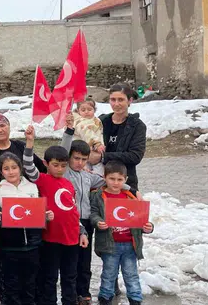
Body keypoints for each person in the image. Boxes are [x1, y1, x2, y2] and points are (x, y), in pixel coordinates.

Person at [60, 118, 139, 305]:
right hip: (69, 220)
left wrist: (132, 190)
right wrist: (69, 131)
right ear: (69, 158)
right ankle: (70, 294)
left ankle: (84, 292)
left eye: (84, 159)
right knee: (70, 260)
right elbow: (63, 149)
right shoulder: (65, 173)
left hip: (86, 221)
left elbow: (110, 182)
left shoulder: (88, 176)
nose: (80, 163)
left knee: (84, 260)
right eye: (76, 158)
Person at [21, 132, 89, 305]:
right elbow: (28, 165)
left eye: (63, 166)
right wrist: (30, 142)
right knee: (50, 277)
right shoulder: (42, 180)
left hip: (72, 239)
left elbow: (73, 211)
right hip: (51, 239)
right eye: (55, 165)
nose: (59, 169)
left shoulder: (68, 184)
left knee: (70, 276)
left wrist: (82, 232)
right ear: (46, 164)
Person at [90, 161, 154, 305]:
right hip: (109, 244)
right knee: (108, 274)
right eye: (112, 178)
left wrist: (148, 227)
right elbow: (93, 213)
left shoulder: (131, 197)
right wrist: (98, 222)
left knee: (131, 274)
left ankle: (135, 299)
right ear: (105, 178)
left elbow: (141, 219)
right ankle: (105, 297)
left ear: (125, 180)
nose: (115, 182)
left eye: (119, 179)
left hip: (130, 245)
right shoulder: (98, 196)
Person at [0, 152, 51, 305]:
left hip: (32, 245)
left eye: (14, 167)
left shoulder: (32, 187)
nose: (11, 172)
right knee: (11, 285)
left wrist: (46, 216)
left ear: (20, 168)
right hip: (9, 247)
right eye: (6, 168)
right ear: (1, 171)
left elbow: (37, 214)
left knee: (30, 284)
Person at [100, 83, 146, 192]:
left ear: (130, 101)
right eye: (113, 100)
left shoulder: (137, 126)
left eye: (120, 100)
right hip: (100, 180)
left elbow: (135, 156)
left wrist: (103, 157)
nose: (116, 104)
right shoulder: (101, 122)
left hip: (125, 181)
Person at [0, 112, 45, 182]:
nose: (0, 130)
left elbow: (42, 169)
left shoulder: (21, 146)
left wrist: (30, 140)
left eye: (2, 125)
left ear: (9, 128)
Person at [72, 99, 104, 175]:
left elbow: (99, 133)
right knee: (84, 168)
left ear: (94, 110)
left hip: (95, 149)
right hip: (83, 149)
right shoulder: (80, 122)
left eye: (89, 109)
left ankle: (98, 178)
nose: (86, 112)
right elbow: (87, 133)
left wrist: (101, 143)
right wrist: (97, 143)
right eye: (83, 110)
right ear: (78, 111)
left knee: (99, 169)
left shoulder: (96, 120)